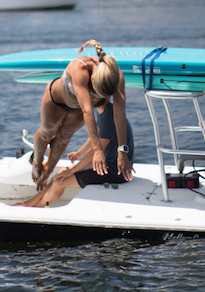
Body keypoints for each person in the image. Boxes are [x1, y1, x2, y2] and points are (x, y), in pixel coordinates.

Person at [30, 40, 130, 191]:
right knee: (47, 132)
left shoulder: (116, 76)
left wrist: (122, 151)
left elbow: (119, 115)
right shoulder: (80, 68)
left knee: (64, 137)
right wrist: (97, 150)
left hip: (78, 107)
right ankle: (37, 165)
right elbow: (88, 111)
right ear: (92, 79)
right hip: (56, 101)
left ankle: (48, 171)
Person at [21, 100, 134, 207]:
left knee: (60, 182)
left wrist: (73, 170)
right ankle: (31, 202)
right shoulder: (105, 111)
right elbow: (97, 137)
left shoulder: (109, 116)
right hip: (108, 165)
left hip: (115, 172)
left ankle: (37, 207)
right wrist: (79, 153)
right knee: (62, 172)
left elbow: (96, 151)